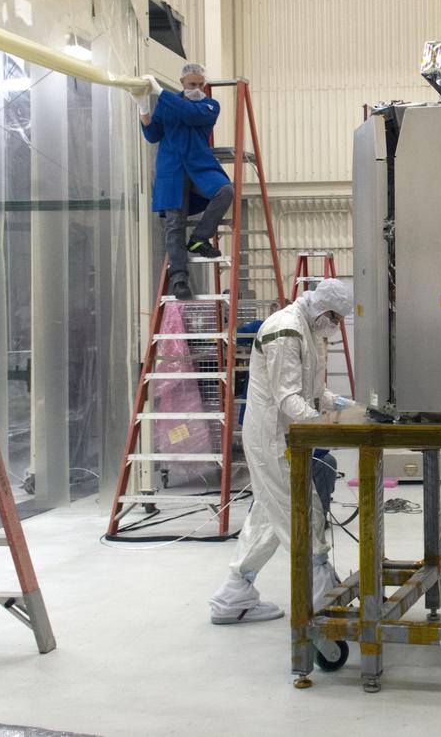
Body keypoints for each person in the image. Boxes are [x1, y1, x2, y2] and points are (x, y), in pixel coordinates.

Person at [209, 278, 355, 624]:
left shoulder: (307, 330)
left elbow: (315, 391)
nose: (334, 326)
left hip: (282, 439)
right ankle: (321, 605)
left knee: (266, 520)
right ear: (322, 307)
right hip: (272, 441)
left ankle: (233, 597)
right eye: (333, 317)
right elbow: (288, 398)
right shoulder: (287, 330)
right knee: (305, 511)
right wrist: (326, 425)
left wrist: (352, 406)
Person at [133, 63, 233, 302]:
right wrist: (143, 108)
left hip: (200, 167)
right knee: (174, 224)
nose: (197, 88)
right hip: (172, 170)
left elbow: (190, 114)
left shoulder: (209, 106)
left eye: (200, 84)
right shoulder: (167, 104)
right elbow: (153, 135)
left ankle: (199, 238)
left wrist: (159, 92)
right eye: (192, 85)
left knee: (225, 190)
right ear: (182, 83)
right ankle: (179, 278)